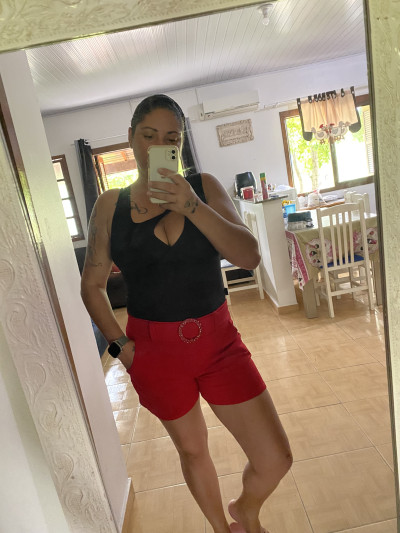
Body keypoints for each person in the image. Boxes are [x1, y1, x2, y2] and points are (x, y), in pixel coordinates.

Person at [81, 94, 292, 533]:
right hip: (153, 352)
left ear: (180, 144)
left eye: (171, 138)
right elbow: (92, 285)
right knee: (193, 450)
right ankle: (220, 528)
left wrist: (191, 205)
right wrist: (122, 348)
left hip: (219, 344)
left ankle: (246, 509)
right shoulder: (110, 205)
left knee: (275, 457)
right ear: (131, 138)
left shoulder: (204, 187)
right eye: (149, 135)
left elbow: (249, 256)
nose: (160, 146)